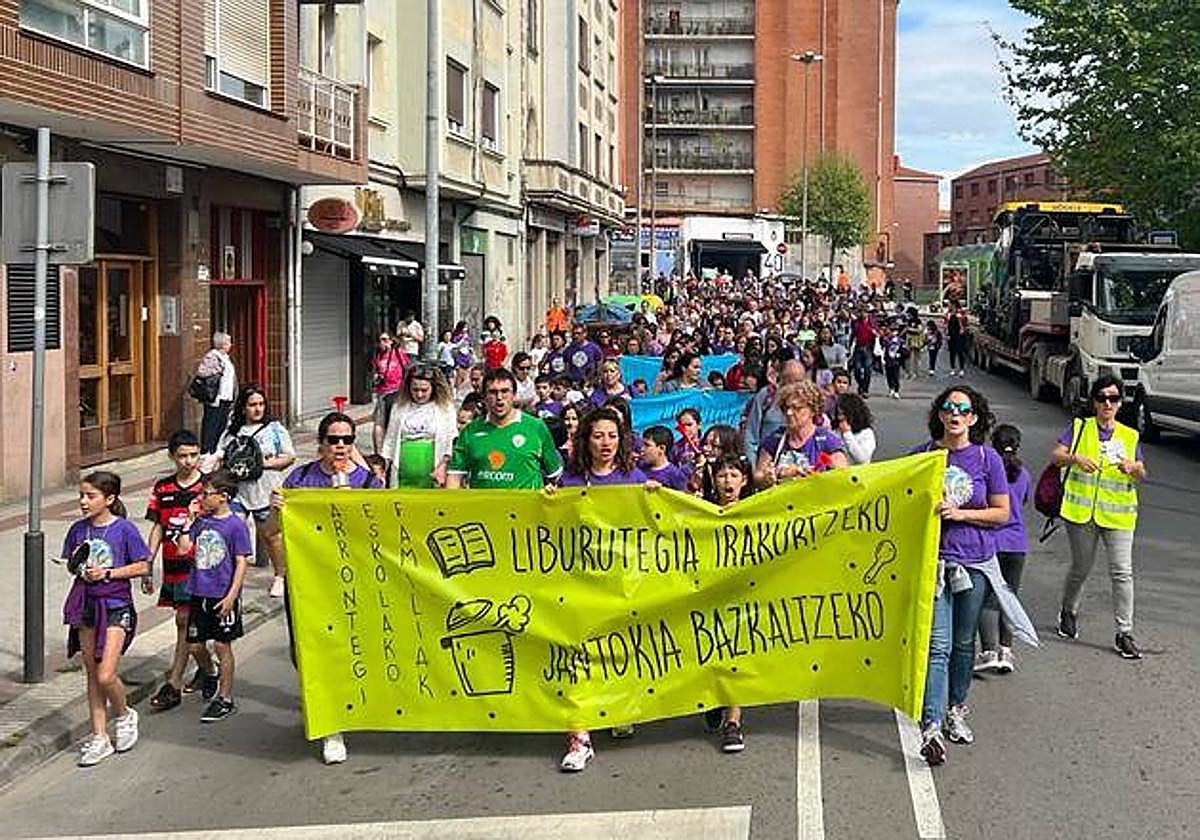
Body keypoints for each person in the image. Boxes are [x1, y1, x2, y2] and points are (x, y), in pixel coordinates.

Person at [914, 386, 1033, 767]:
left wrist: (962, 514)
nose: (954, 414)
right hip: (935, 565)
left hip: (975, 564)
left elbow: (1001, 512)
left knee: (965, 644)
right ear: (940, 415)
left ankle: (956, 709)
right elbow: (899, 499)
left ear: (974, 418)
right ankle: (931, 725)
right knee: (938, 646)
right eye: (948, 407)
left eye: (962, 409)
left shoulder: (988, 458)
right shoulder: (923, 455)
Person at [271, 412, 384, 764]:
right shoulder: (300, 479)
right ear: (320, 443)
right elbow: (271, 533)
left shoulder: (368, 483)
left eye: (347, 440)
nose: (340, 447)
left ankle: (334, 725)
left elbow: (380, 535)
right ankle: (321, 704)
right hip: (307, 583)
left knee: (346, 649)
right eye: (333, 440)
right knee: (304, 650)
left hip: (349, 581)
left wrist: (351, 503)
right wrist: (277, 511)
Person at [559, 407, 658, 771]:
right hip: (580, 586)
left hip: (622, 585)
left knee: (619, 651)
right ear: (586, 439)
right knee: (578, 659)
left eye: (612, 436)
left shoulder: (635, 480)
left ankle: (618, 708)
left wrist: (654, 497)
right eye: (598, 435)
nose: (605, 443)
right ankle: (579, 738)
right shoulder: (570, 485)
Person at [1051, 375, 1147, 659]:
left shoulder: (1129, 436)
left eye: (1114, 398)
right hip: (1082, 514)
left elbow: (1142, 473)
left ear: (1120, 403)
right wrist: (1075, 458)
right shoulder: (1080, 428)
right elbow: (1056, 455)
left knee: (1122, 573)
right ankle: (1068, 611)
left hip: (1119, 516)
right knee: (1081, 568)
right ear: (1094, 401)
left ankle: (1124, 633)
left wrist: (1134, 467)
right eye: (1102, 398)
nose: (1108, 403)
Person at [61, 470, 151, 766]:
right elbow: (71, 563)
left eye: (91, 496)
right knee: (91, 672)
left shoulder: (124, 529)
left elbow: (142, 566)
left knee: (105, 674)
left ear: (109, 499)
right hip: (85, 605)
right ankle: (99, 736)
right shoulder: (77, 529)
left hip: (115, 604)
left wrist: (108, 573)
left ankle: (125, 715)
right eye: (81, 496)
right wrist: (79, 570)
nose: (84, 502)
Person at [146, 431, 219, 711]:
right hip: (173, 567)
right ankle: (207, 669)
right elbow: (157, 526)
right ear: (172, 457)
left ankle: (174, 683)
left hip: (201, 569)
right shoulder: (162, 488)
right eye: (182, 456)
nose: (189, 461)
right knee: (188, 627)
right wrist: (147, 561)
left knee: (184, 622)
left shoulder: (208, 489)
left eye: (193, 455)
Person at [174, 469, 252, 724]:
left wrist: (232, 596)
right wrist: (189, 521)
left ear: (223, 496)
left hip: (222, 593)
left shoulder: (235, 525)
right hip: (199, 592)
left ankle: (225, 697)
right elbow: (184, 549)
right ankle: (209, 672)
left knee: (221, 645)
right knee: (196, 645)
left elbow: (241, 562)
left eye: (206, 494)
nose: (201, 498)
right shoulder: (201, 522)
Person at [213, 385, 295, 598]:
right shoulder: (232, 432)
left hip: (266, 490)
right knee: (232, 530)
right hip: (237, 491)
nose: (257, 409)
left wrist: (261, 465)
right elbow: (222, 455)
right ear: (243, 408)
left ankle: (280, 575)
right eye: (252, 405)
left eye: (261, 404)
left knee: (271, 535)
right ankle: (230, 575)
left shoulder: (275, 429)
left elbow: (289, 456)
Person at [446, 368, 564, 490]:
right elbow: (454, 476)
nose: (499, 397)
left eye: (505, 391)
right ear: (484, 396)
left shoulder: (536, 427)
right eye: (493, 392)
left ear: (514, 395)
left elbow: (554, 475)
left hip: (525, 508)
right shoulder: (470, 431)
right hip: (485, 508)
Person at [976, 424, 1033, 673]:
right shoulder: (1025, 474)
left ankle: (988, 650)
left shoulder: (988, 470)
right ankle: (1006, 652)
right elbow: (1023, 501)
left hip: (992, 541)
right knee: (1009, 597)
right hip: (1017, 543)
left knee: (986, 599)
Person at [755, 381, 848, 487]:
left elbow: (842, 473)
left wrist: (817, 475)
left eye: (797, 408)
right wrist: (767, 477)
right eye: (786, 408)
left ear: (813, 410)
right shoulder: (774, 439)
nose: (789, 413)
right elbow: (758, 475)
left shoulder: (827, 440)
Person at [380, 364, 458, 488]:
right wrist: (382, 469)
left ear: (433, 388)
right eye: (415, 389)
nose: (419, 394)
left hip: (433, 472)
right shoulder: (399, 406)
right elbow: (390, 440)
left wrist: (444, 465)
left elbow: (452, 439)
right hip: (403, 475)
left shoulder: (445, 408)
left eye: (424, 390)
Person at [743, 359, 806, 462]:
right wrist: (754, 470)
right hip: (766, 465)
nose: (794, 387)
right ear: (781, 379)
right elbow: (751, 437)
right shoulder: (766, 396)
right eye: (789, 381)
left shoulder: (809, 402)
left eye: (798, 381)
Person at [369, 331, 408, 453]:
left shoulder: (398, 353)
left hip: (397, 390)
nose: (382, 343)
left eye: (385, 339)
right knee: (379, 422)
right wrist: (376, 377)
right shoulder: (378, 355)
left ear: (391, 341)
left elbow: (407, 368)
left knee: (395, 420)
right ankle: (378, 452)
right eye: (381, 340)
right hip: (383, 391)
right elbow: (375, 369)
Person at [199, 332, 237, 454]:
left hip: (225, 397)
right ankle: (207, 450)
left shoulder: (225, 357)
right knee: (212, 424)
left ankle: (215, 448)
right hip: (216, 398)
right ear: (222, 344)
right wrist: (217, 370)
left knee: (221, 424)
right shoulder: (213, 356)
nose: (230, 345)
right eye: (228, 342)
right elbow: (203, 372)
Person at [640, 425, 690, 491]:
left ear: (662, 448)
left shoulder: (675, 475)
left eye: (647, 445)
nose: (642, 449)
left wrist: (661, 489)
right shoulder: (639, 468)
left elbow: (684, 498)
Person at [836, 393, 876, 465]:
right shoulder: (835, 429)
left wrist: (847, 433)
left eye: (842, 414)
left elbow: (862, 459)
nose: (840, 418)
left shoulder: (866, 433)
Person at [849, 309, 877, 397]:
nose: (863, 314)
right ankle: (861, 385)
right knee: (857, 369)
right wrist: (849, 347)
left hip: (868, 348)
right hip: (858, 347)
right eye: (862, 312)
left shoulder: (872, 322)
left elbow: (877, 333)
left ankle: (865, 389)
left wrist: (874, 332)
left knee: (867, 369)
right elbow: (853, 335)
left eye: (865, 312)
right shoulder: (856, 322)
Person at [880, 323, 905, 399]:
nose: (893, 332)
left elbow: (903, 350)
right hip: (888, 360)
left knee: (896, 376)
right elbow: (882, 347)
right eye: (891, 330)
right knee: (889, 376)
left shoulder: (900, 340)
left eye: (895, 330)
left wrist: (901, 355)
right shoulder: (886, 339)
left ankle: (896, 391)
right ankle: (891, 389)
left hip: (896, 361)